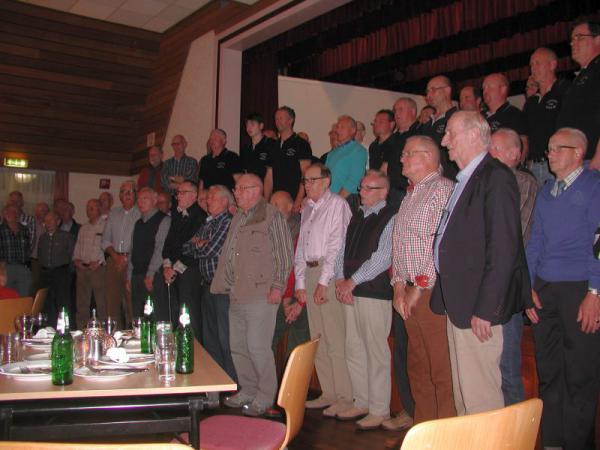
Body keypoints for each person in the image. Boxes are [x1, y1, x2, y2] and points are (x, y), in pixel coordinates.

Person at [432, 111, 530, 415]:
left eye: (450, 133)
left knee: (481, 400)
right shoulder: (466, 179)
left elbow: (504, 249)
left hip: (477, 307)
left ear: (474, 134)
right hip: (460, 302)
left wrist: (486, 308)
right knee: (466, 395)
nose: (444, 141)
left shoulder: (495, 177)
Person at [526, 127, 600, 450]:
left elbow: (599, 242)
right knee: (549, 372)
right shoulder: (546, 191)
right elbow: (535, 242)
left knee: (580, 375)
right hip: (545, 289)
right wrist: (528, 286)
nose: (550, 154)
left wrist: (595, 293)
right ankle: (553, 442)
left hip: (580, 289)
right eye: (549, 148)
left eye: (558, 148)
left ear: (578, 153)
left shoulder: (594, 187)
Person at [212, 174, 293, 417]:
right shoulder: (238, 216)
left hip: (261, 294)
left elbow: (284, 255)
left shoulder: (272, 216)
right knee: (238, 347)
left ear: (256, 190)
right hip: (237, 292)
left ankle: (266, 398)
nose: (235, 193)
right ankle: (247, 390)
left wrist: (278, 287)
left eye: (240, 188)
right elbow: (230, 253)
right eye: (235, 188)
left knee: (258, 347)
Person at [391, 136, 456, 426]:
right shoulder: (411, 194)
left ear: (428, 156)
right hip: (408, 291)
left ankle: (446, 434)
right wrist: (397, 286)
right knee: (418, 365)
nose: (401, 159)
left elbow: (439, 243)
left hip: (431, 292)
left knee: (440, 367)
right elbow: (399, 244)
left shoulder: (443, 190)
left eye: (408, 154)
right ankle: (425, 429)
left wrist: (417, 287)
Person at [334, 170, 397, 430]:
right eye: (361, 187)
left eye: (369, 188)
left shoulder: (390, 216)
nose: (362, 192)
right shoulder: (357, 215)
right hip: (351, 289)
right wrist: (340, 279)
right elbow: (342, 250)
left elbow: (383, 257)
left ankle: (379, 409)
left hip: (373, 292)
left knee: (375, 352)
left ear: (383, 192)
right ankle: (361, 401)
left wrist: (352, 281)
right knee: (354, 348)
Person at [295, 163, 353, 417]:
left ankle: (345, 396)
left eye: (312, 180)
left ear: (326, 181)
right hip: (310, 272)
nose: (307, 185)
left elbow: (336, 246)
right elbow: (301, 246)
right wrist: (300, 283)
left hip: (327, 273)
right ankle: (328, 393)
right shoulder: (307, 207)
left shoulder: (338, 205)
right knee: (317, 337)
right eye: (305, 181)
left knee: (334, 338)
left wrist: (323, 281)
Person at [490, 128, 538, 407]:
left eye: (496, 149)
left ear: (515, 154)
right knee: (486, 369)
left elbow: (515, 235)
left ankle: (516, 428)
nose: (490, 154)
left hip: (507, 285)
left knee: (507, 367)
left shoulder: (523, 182)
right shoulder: (482, 183)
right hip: (485, 285)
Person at [181, 185, 236, 381]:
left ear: (224, 201)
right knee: (210, 339)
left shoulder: (227, 222)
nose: (207, 200)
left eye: (211, 197)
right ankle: (215, 382)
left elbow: (210, 250)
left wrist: (199, 243)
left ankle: (231, 383)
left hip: (223, 288)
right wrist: (199, 243)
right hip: (207, 286)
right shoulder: (208, 222)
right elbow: (186, 247)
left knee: (225, 338)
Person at [269, 190, 310, 360]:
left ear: (290, 206)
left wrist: (290, 299)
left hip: (299, 293)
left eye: (276, 205)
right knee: (265, 341)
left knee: (297, 349)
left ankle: (291, 378)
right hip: (278, 293)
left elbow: (295, 265)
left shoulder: (300, 228)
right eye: (270, 204)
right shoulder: (269, 228)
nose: (272, 208)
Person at [556, 21, 600, 169]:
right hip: (579, 160)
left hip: (592, 159)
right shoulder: (581, 76)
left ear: (598, 39)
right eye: (572, 39)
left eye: (579, 37)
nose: (573, 43)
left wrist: (599, 156)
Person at [162, 181, 207, 325]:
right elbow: (168, 244)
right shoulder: (178, 215)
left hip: (189, 272)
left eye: (183, 192)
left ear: (194, 195)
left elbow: (193, 250)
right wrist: (167, 266)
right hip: (174, 271)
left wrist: (174, 269)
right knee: (175, 313)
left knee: (188, 315)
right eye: (178, 193)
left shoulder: (200, 217)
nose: (178, 196)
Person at [524, 47, 570, 186]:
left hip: (555, 163)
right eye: (531, 65)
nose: (533, 68)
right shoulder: (531, 101)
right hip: (532, 166)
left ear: (552, 65)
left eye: (538, 63)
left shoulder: (565, 90)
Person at [102, 180, 141, 328]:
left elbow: (142, 241)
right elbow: (105, 240)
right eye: (124, 192)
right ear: (120, 196)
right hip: (113, 261)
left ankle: (134, 335)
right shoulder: (113, 213)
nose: (128, 194)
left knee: (131, 303)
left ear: (136, 194)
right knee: (111, 303)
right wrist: (116, 257)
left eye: (131, 191)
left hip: (132, 262)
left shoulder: (140, 213)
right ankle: (114, 335)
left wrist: (126, 258)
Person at [127, 188, 171, 320]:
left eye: (145, 198)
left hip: (153, 276)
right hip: (137, 275)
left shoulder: (164, 220)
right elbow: (133, 249)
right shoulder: (138, 223)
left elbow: (160, 249)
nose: (140, 202)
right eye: (139, 199)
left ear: (155, 200)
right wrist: (129, 276)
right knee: (138, 317)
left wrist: (150, 274)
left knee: (154, 316)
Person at [267, 106, 312, 210]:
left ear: (290, 120)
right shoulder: (273, 145)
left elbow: (306, 174)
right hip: (275, 200)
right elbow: (269, 176)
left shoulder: (301, 144)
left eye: (281, 118)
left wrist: (298, 201)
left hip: (293, 200)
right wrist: (267, 200)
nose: (277, 121)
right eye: (276, 118)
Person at [73, 199, 107, 329]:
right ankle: (82, 330)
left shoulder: (105, 226)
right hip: (83, 268)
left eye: (92, 208)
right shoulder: (83, 228)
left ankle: (104, 330)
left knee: (101, 302)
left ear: (99, 209)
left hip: (98, 268)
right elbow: (78, 245)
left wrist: (99, 261)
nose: (89, 210)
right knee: (82, 303)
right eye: (88, 208)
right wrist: (76, 260)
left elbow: (107, 246)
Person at [38, 211, 75, 325]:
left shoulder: (66, 236)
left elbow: (72, 255)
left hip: (61, 273)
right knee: (47, 302)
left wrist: (69, 273)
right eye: (46, 221)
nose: (48, 223)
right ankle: (48, 327)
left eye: (50, 220)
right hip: (46, 273)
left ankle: (65, 327)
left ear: (58, 222)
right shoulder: (42, 238)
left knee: (63, 302)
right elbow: (40, 255)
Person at [420, 75, 459, 180]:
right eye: (427, 91)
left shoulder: (457, 118)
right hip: (427, 180)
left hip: (449, 180)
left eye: (433, 90)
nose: (428, 95)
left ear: (447, 91)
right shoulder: (427, 123)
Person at [482, 73, 528, 155]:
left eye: (489, 87)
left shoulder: (515, 115)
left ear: (503, 89)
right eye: (484, 88)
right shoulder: (480, 117)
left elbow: (523, 145)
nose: (485, 91)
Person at [383, 97, 420, 195]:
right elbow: (385, 166)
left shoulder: (421, 133)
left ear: (413, 111)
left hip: (409, 190)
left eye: (401, 109)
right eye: (395, 110)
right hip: (391, 190)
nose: (396, 114)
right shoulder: (393, 137)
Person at [325, 115, 367, 198]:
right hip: (329, 198)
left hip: (347, 198)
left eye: (342, 127)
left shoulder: (359, 150)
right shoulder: (332, 153)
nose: (338, 130)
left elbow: (355, 179)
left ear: (353, 130)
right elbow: (325, 176)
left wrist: (337, 200)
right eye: (337, 127)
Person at [241, 113, 277, 197]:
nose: (249, 128)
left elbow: (270, 174)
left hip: (267, 192)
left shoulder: (271, 144)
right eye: (247, 125)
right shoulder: (246, 148)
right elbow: (246, 173)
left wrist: (266, 198)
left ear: (261, 126)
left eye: (252, 124)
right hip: (251, 192)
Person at [0, 205, 31, 296]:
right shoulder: (1, 229)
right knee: (8, 297)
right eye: (6, 212)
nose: (8, 214)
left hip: (23, 268)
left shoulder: (24, 230)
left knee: (23, 298)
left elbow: (28, 248)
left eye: (12, 212)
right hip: (5, 268)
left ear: (17, 214)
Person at [31, 202, 49, 293]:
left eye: (46, 210)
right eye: (42, 210)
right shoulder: (32, 223)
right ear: (36, 212)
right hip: (34, 259)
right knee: (35, 283)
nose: (45, 212)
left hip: (46, 260)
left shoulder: (49, 224)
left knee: (44, 283)